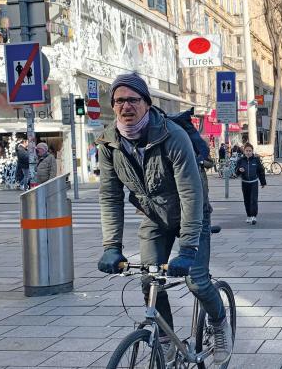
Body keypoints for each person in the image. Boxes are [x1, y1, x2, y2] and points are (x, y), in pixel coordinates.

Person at [95, 72, 232, 364]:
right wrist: (111, 246)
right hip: (154, 218)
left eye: (133, 99)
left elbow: (191, 194)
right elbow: (109, 196)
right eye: (119, 101)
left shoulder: (173, 135)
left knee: (196, 280)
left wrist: (188, 248)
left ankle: (220, 323)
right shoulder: (108, 143)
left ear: (146, 103)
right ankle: (167, 339)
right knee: (149, 280)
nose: (125, 106)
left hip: (191, 214)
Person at [235, 143, 266, 224]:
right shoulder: (240, 160)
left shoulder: (256, 160)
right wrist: (239, 170)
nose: (248, 152)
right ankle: (248, 216)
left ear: (252, 151)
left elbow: (261, 171)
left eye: (250, 151)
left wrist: (263, 182)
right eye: (247, 151)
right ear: (244, 151)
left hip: (254, 183)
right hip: (245, 183)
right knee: (247, 200)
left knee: (254, 200)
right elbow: (236, 173)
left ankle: (253, 216)